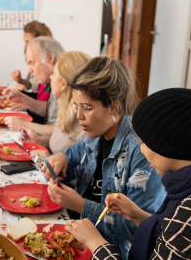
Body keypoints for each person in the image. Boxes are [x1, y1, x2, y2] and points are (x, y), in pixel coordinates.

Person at [41, 56, 166, 259]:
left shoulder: (142, 153)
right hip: (76, 236)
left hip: (111, 250)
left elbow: (140, 228)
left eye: (87, 108)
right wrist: (60, 159)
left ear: (114, 107)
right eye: (76, 106)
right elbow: (71, 157)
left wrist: (81, 205)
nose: (78, 115)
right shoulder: (94, 135)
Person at [65, 88, 191, 260]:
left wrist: (96, 243)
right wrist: (138, 216)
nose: (140, 149)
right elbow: (165, 232)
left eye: (143, 142)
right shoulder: (180, 185)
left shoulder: (187, 212)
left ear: (167, 145)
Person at [22, 51, 89, 156]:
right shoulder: (67, 109)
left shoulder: (84, 124)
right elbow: (59, 146)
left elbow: (77, 168)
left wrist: (48, 160)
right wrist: (40, 141)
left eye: (53, 74)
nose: (50, 77)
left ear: (63, 84)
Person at [4, 36, 64, 129]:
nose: (30, 70)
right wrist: (21, 97)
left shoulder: (64, 82)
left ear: (49, 58)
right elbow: (48, 110)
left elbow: (62, 131)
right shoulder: (54, 78)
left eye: (32, 63)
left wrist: (24, 125)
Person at [11, 20, 53, 92]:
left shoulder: (49, 64)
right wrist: (19, 80)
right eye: (25, 41)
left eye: (28, 41)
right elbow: (30, 85)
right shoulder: (34, 57)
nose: (25, 46)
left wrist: (25, 97)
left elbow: (44, 100)